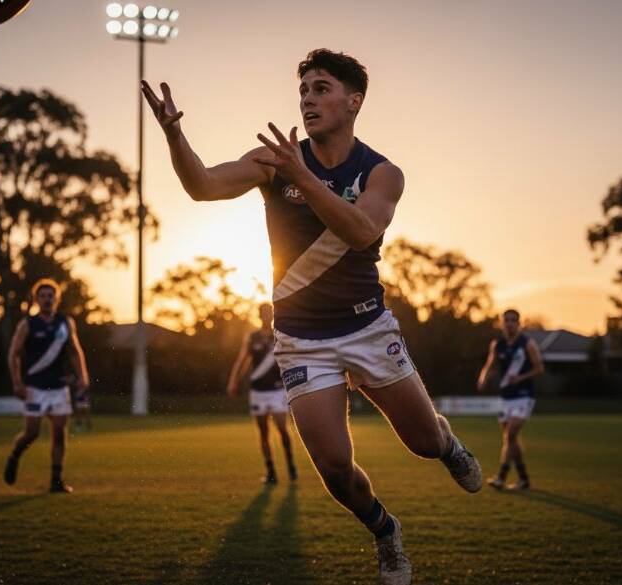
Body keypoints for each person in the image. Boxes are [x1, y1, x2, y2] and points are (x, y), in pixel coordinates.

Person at [142, 48, 481, 585]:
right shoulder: (275, 162)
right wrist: (173, 137)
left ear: (354, 101)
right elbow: (203, 186)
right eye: (303, 91)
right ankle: (386, 531)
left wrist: (303, 174)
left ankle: (449, 445)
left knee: (423, 443)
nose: (308, 99)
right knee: (334, 470)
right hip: (302, 339)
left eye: (321, 89)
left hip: (369, 329)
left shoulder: (383, 172)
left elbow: (362, 232)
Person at [3, 279, 90, 493]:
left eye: (50, 295)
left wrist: (82, 376)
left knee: (59, 432)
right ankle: (14, 455)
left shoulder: (65, 323)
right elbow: (13, 354)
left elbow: (75, 351)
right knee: (31, 433)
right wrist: (17, 382)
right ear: (36, 299)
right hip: (35, 388)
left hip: (59, 388)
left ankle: (56, 480)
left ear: (56, 299)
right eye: (42, 295)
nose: (47, 299)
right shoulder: (27, 324)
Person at [227, 303, 298, 484]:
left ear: (273, 315)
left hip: (277, 390)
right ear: (259, 315)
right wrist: (234, 381)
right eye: (263, 313)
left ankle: (291, 466)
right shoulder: (252, 337)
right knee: (263, 432)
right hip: (258, 390)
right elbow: (242, 360)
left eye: (269, 313)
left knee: (283, 429)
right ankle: (271, 471)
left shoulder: (280, 336)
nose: (266, 316)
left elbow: (291, 359)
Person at [477, 309, 544, 490]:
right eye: (506, 320)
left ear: (519, 323)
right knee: (511, 439)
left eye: (513, 320)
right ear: (502, 323)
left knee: (511, 434)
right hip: (506, 398)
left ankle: (501, 476)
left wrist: (520, 378)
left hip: (524, 396)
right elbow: (490, 365)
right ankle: (524, 479)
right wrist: (483, 378)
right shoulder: (497, 344)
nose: (510, 323)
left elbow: (539, 368)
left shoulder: (527, 343)